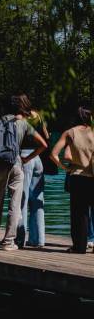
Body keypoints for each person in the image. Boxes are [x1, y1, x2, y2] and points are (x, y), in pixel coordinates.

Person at [0, 95, 47, 251]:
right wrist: (26, 159)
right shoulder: (22, 124)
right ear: (17, 109)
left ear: (2, 108)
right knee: (15, 204)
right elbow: (43, 144)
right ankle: (8, 242)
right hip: (16, 164)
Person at [49, 106, 94, 253]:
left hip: (78, 177)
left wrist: (65, 168)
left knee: (79, 215)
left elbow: (53, 154)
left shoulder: (70, 132)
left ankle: (79, 247)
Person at [15, 95, 50, 248]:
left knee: (22, 198)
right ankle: (38, 240)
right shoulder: (38, 116)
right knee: (37, 200)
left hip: (25, 157)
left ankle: (20, 239)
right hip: (38, 158)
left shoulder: (20, 119)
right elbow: (47, 136)